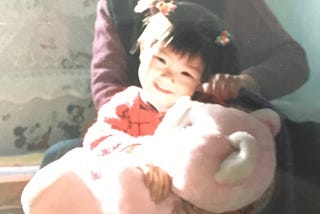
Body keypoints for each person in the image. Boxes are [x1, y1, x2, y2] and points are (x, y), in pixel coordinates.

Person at [40, 0, 309, 167]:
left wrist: (247, 81)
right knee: (59, 158)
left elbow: (293, 61)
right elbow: (106, 84)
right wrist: (142, 141)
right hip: (137, 131)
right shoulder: (116, 4)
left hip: (216, 128)